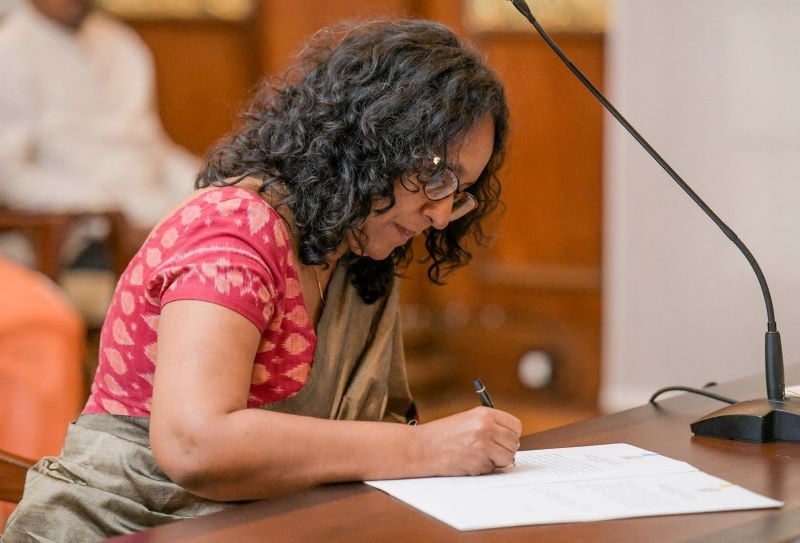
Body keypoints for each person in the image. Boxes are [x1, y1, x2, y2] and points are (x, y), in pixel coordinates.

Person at [2, 19, 521, 541]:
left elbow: (374, 430)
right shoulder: (234, 229)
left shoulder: (359, 257)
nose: (439, 213)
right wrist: (424, 449)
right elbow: (194, 443)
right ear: (368, 141)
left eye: (459, 192)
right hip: (121, 528)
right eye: (434, 175)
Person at [0, 0, 198, 266]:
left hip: (158, 219)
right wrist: (109, 210)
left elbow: (152, 148)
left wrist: (213, 187)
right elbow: (12, 177)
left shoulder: (121, 42)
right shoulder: (9, 51)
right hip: (79, 237)